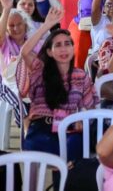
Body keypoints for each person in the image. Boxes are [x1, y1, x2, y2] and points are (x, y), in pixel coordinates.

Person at [20, 10, 99, 161]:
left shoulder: (81, 75)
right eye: (58, 45)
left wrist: (81, 120)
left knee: (77, 145)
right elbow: (25, 52)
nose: (63, 49)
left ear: (72, 48)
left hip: (68, 130)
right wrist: (47, 25)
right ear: (49, 52)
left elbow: (90, 108)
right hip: (41, 129)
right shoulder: (40, 69)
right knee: (52, 149)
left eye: (67, 44)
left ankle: (65, 182)